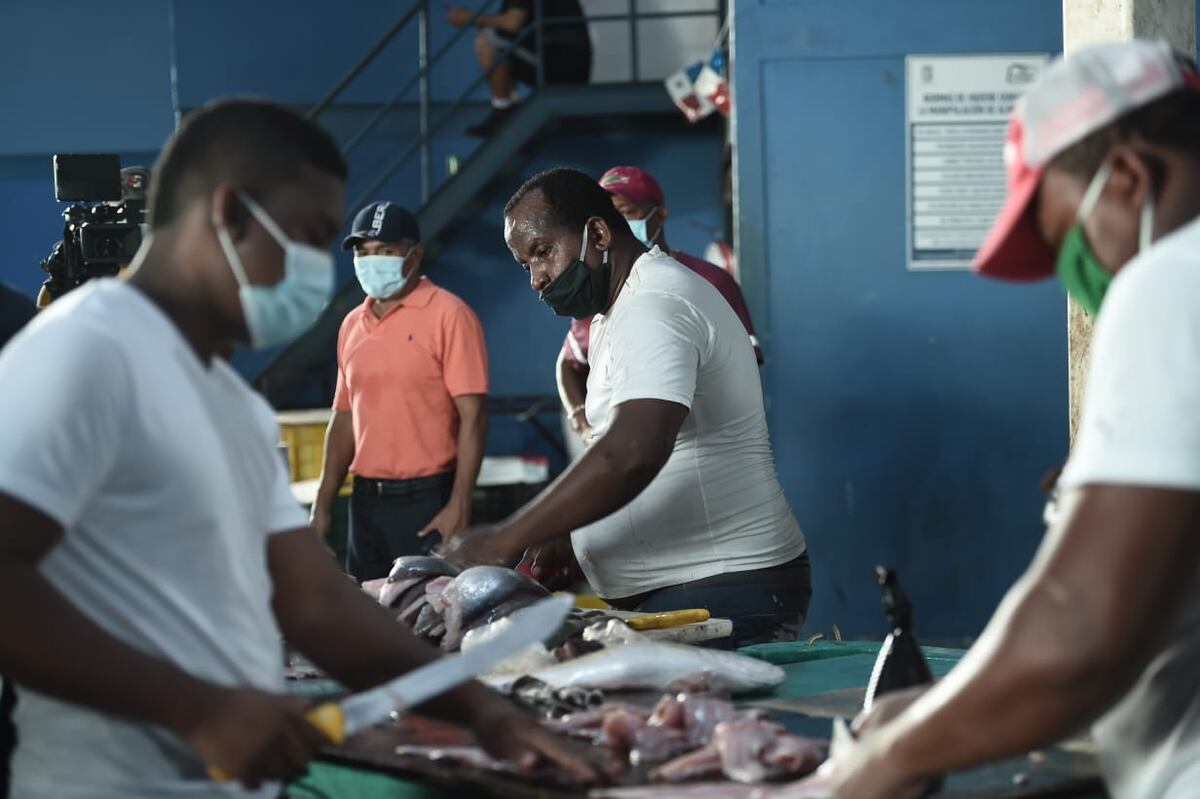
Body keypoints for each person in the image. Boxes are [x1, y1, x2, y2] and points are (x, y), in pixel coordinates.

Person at [0, 99, 594, 799]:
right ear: (231, 214)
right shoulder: (85, 351)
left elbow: (311, 599)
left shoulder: (233, 407)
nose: (318, 268)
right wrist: (199, 707)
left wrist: (482, 710)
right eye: (309, 237)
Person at [821, 41, 1200, 799]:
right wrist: (938, 705)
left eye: (1067, 238)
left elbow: (1079, 631)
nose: (1080, 276)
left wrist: (888, 758)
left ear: (1128, 177)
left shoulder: (1173, 277)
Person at [442, 167, 810, 648]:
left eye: (543, 252)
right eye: (524, 264)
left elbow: (633, 450)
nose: (536, 279)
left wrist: (503, 538)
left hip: (725, 587)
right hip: (682, 590)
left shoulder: (656, 303)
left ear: (597, 233)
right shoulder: (613, 314)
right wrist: (565, 530)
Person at [310, 202, 489, 582]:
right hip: (365, 502)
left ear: (415, 254)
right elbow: (343, 418)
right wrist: (322, 507)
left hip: (427, 501)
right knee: (371, 613)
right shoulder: (351, 325)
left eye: (385, 251)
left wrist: (459, 503)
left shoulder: (449, 315)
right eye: (364, 252)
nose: (372, 261)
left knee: (428, 617)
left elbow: (474, 416)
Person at [558, 166, 763, 446]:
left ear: (660, 215)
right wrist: (580, 421)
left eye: (628, 212)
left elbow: (744, 365)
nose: (619, 224)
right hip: (624, 448)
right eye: (610, 215)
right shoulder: (599, 292)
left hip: (701, 445)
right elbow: (568, 363)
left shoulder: (709, 280)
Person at [446, 0, 592, 138]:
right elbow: (506, 29)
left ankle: (503, 109)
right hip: (565, 58)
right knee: (498, 42)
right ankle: (510, 106)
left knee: (487, 40)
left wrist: (471, 17)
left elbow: (512, 23)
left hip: (565, 61)